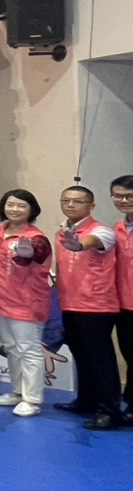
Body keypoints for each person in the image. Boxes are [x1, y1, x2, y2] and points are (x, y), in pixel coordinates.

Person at [53, 185, 123, 430]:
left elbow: (94, 242)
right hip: (70, 303)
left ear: (91, 206)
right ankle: (87, 401)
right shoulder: (62, 232)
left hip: (96, 306)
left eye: (78, 201)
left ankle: (110, 410)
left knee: (100, 359)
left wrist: (81, 245)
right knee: (81, 355)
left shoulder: (102, 230)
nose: (71, 205)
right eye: (66, 200)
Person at [0, 190, 54, 418]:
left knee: (29, 351)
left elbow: (37, 255)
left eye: (21, 206)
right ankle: (17, 391)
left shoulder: (37, 238)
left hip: (26, 303)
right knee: (12, 348)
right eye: (10, 205)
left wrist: (28, 254)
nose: (14, 209)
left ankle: (32, 399)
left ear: (32, 210)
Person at [112, 175, 133, 419]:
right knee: (129, 354)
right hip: (123, 305)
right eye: (118, 196)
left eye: (129, 196)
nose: (124, 200)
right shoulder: (116, 229)